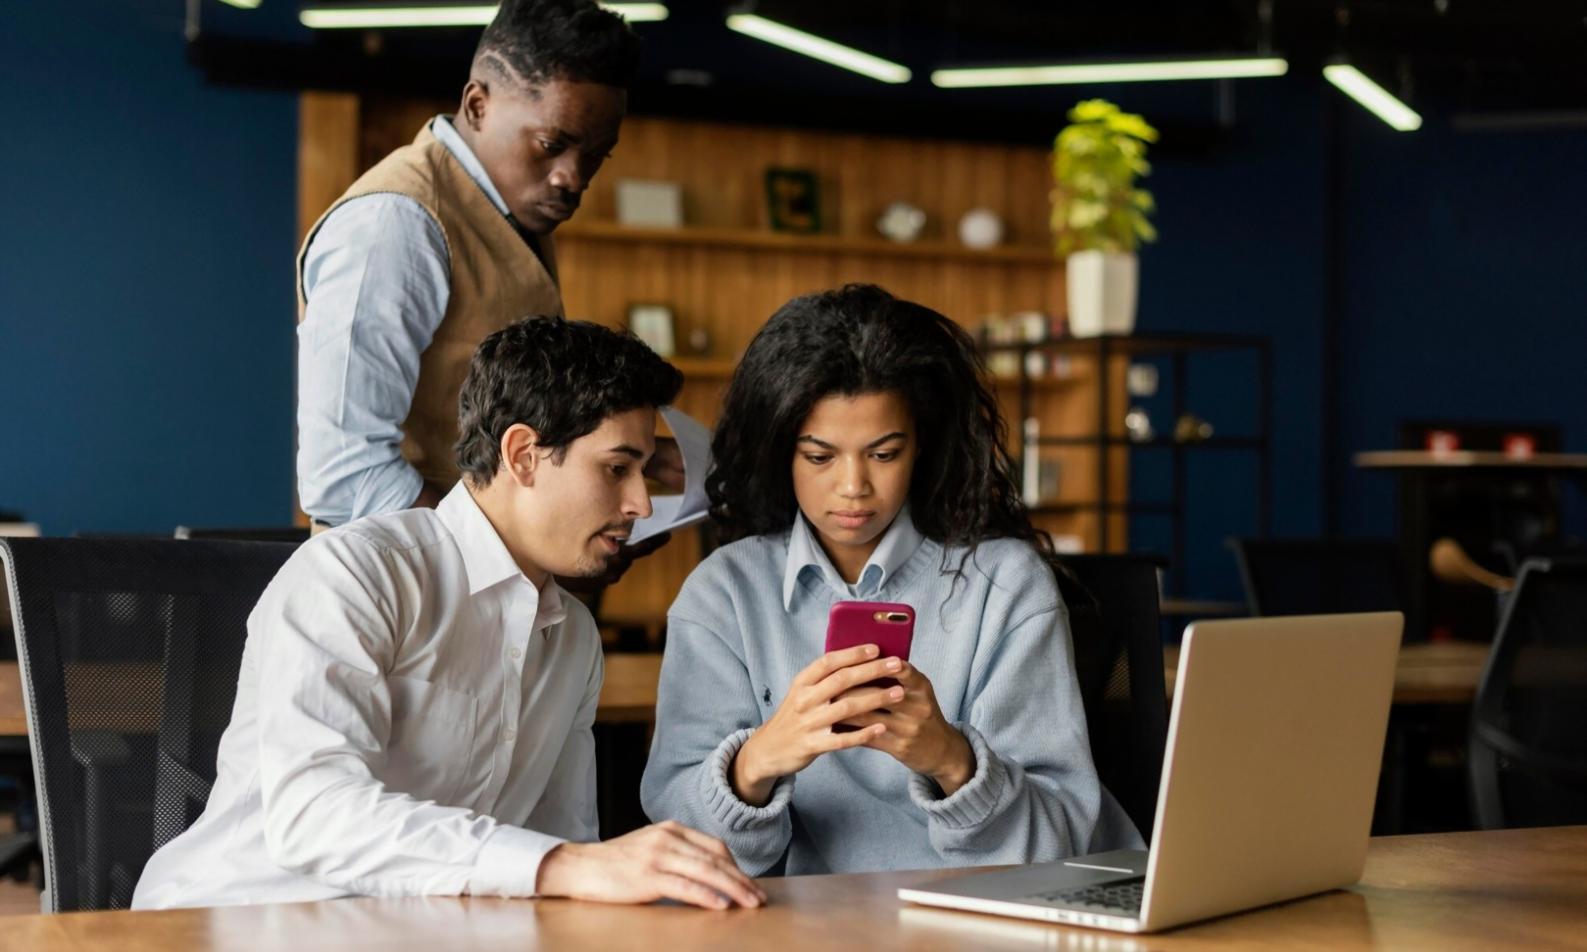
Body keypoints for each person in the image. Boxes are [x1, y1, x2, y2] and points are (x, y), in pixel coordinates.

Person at [134, 318, 763, 911]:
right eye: (617, 468)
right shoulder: (356, 575)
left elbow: (560, 840)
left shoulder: (571, 638)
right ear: (522, 455)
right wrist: (566, 868)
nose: (640, 505)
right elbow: (312, 814)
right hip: (240, 921)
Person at [640, 284, 1142, 876]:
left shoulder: (1004, 584)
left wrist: (952, 761)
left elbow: (1054, 847)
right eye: (819, 456)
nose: (853, 487)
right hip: (813, 929)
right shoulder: (723, 592)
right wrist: (755, 763)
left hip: (989, 919)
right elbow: (684, 850)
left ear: (922, 448)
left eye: (883, 454)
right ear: (780, 451)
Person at [295, 0, 687, 562]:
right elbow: (343, 472)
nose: (572, 177)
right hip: (399, 600)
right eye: (552, 145)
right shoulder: (394, 224)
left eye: (595, 155)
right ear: (477, 104)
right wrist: (500, 557)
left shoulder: (514, 210)